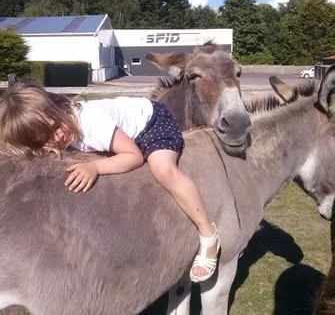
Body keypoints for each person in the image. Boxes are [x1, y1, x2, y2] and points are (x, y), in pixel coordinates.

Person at [0, 80, 220, 283]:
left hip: (152, 123)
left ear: (57, 107)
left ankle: (208, 234)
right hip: (125, 127)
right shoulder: (65, 128)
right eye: (44, 139)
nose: (56, 138)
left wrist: (95, 167)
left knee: (163, 170)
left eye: (56, 126)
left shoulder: (92, 125)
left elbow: (133, 157)